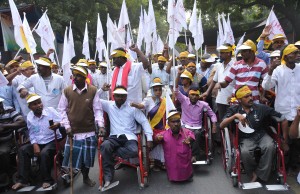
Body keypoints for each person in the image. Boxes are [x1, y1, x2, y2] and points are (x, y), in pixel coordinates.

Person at [220, 85, 286, 182]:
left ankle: (260, 174)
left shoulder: (261, 108)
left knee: (270, 146)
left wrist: (284, 139)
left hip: (261, 135)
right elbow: (221, 125)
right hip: (245, 138)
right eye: (246, 97)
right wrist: (234, 116)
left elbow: (281, 118)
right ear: (239, 99)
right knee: (245, 152)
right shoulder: (234, 109)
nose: (250, 98)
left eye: (250, 95)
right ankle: (251, 172)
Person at [58, 66, 104, 187]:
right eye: (74, 75)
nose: (75, 78)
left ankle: (86, 177)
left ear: (85, 77)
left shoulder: (93, 90)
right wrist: (67, 127)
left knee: (87, 158)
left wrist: (101, 126)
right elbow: (62, 110)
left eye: (78, 76)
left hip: (89, 130)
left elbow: (98, 110)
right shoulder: (67, 91)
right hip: (73, 131)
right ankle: (71, 175)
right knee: (73, 158)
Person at [99, 86, 153, 188]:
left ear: (126, 97)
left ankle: (112, 153)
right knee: (105, 146)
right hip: (114, 136)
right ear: (113, 96)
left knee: (134, 151)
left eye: (123, 96)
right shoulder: (109, 105)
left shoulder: (132, 108)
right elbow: (94, 99)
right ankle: (108, 178)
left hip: (129, 137)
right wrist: (102, 89)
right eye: (118, 96)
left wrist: (149, 138)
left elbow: (144, 121)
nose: (120, 98)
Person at [262, 44, 300, 171]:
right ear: (286, 55)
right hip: (283, 112)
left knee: (297, 141)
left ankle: (294, 166)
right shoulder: (278, 70)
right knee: (285, 140)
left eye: (297, 53)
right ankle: (283, 166)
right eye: (293, 53)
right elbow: (267, 86)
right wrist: (270, 69)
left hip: (297, 111)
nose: (296, 55)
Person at [12, 94, 62, 190]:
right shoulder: (30, 116)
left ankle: (47, 180)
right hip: (39, 142)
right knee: (22, 150)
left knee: (44, 153)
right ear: (30, 107)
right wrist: (35, 144)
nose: (38, 105)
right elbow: (31, 133)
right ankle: (23, 181)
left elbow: (63, 121)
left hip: (52, 140)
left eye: (39, 102)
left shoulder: (50, 111)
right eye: (35, 104)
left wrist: (57, 124)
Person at [175, 68, 217, 161]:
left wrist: (214, 124)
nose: (194, 97)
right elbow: (176, 90)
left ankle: (194, 155)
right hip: (184, 125)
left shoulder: (203, 105)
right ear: (189, 95)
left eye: (196, 95)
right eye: (192, 95)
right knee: (183, 133)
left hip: (197, 127)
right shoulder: (184, 100)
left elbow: (212, 115)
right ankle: (182, 154)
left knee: (197, 134)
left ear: (199, 96)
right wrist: (178, 75)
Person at [131, 78, 166, 171]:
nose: (158, 92)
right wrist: (134, 104)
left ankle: (159, 161)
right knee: (156, 139)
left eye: (160, 90)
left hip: (161, 127)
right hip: (151, 128)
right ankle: (148, 158)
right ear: (152, 91)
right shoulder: (148, 100)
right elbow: (141, 106)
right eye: (156, 90)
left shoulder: (164, 101)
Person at [220, 40, 268, 104]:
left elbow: (267, 81)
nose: (242, 53)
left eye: (244, 51)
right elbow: (226, 82)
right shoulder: (236, 64)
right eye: (241, 51)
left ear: (252, 52)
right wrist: (219, 84)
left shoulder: (261, 64)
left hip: (253, 101)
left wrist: (263, 96)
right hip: (237, 101)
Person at [155, 110, 195, 182]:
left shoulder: (186, 132)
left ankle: (188, 175)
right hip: (172, 170)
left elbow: (192, 135)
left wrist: (189, 139)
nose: (176, 124)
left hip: (186, 169)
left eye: (178, 121)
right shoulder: (164, 134)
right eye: (173, 122)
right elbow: (156, 137)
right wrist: (157, 138)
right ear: (168, 123)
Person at [201, 44, 235, 121]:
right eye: (220, 52)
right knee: (222, 121)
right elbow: (214, 80)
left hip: (232, 99)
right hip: (220, 98)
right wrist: (207, 92)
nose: (220, 55)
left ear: (228, 53)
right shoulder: (219, 66)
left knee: (232, 123)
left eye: (222, 53)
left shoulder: (235, 65)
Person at [0, 97, 26, 188]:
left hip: (7, 139)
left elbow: (22, 122)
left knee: (2, 152)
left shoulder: (9, 110)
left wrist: (5, 126)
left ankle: (5, 177)